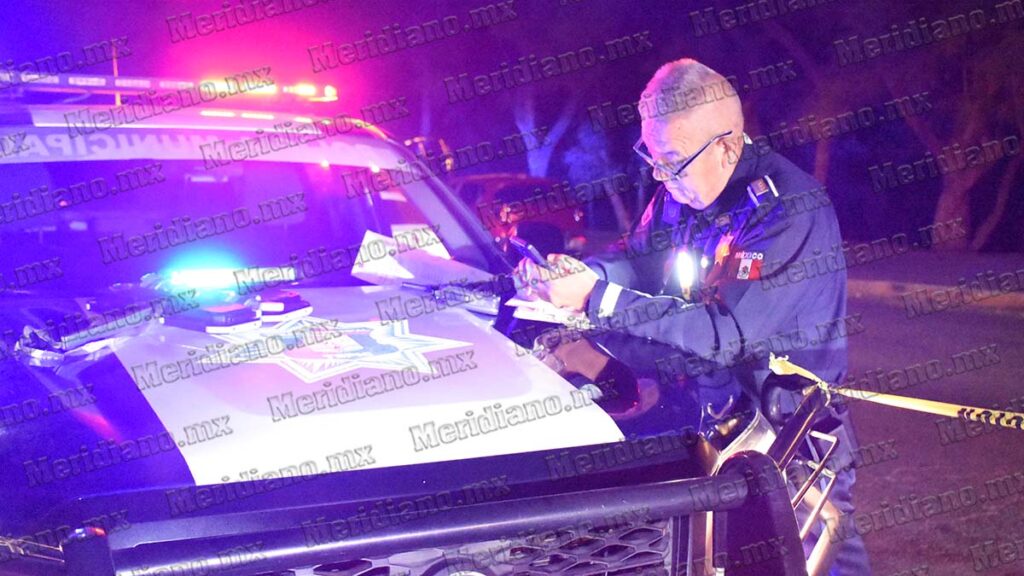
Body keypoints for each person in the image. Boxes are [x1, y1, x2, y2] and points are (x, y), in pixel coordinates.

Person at [515, 58, 871, 575]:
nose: (660, 175)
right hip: (716, 420)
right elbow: (639, 258)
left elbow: (726, 331)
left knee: (821, 562)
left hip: (788, 435)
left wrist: (596, 297)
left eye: (672, 161)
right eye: (651, 157)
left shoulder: (782, 210)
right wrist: (583, 274)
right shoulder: (683, 188)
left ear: (727, 146)